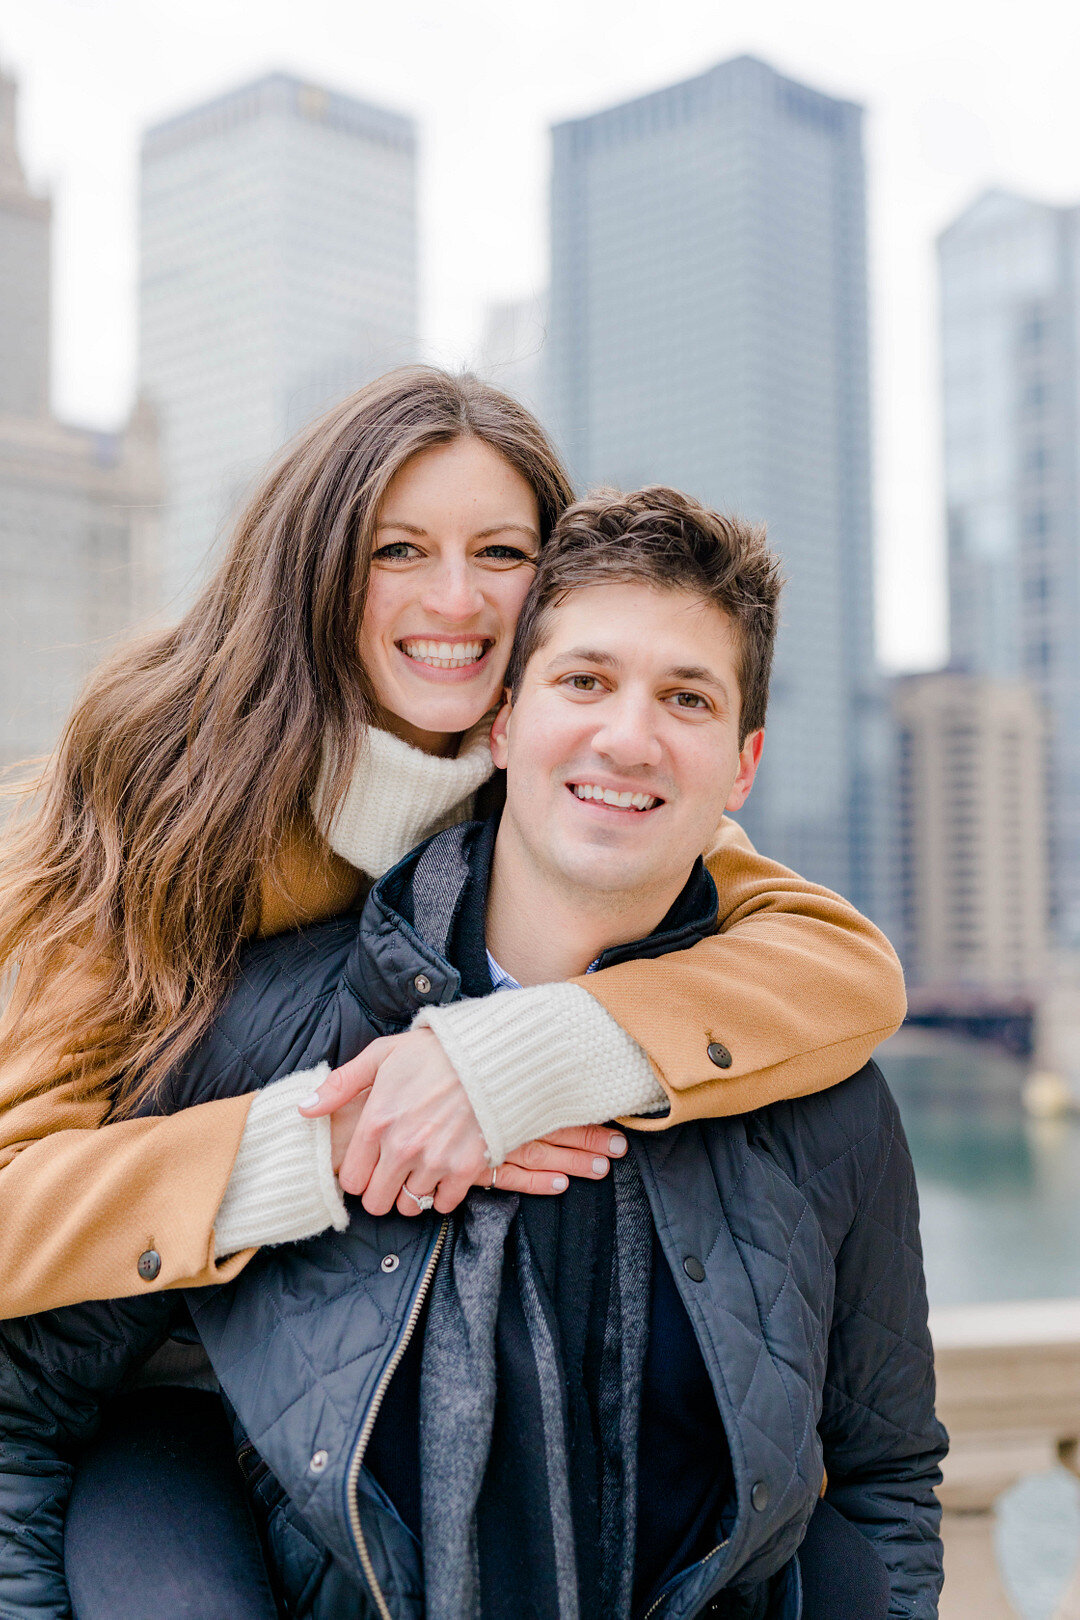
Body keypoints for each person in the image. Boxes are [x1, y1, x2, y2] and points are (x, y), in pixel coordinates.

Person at [0, 487, 945, 1620]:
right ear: (503, 724)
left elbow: (887, 1472)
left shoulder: (820, 1082)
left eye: (685, 698)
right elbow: (26, 1415)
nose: (630, 737)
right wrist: (311, 1144)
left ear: (741, 770)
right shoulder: (243, 1009)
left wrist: (536, 1051)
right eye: (584, 680)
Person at [0, 368, 905, 1323]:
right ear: (319, 566)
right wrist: (327, 1141)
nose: (456, 598)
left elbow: (840, 963)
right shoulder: (181, 789)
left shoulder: (558, 783)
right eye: (399, 550)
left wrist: (511, 1058)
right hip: (145, 1384)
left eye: (502, 552)